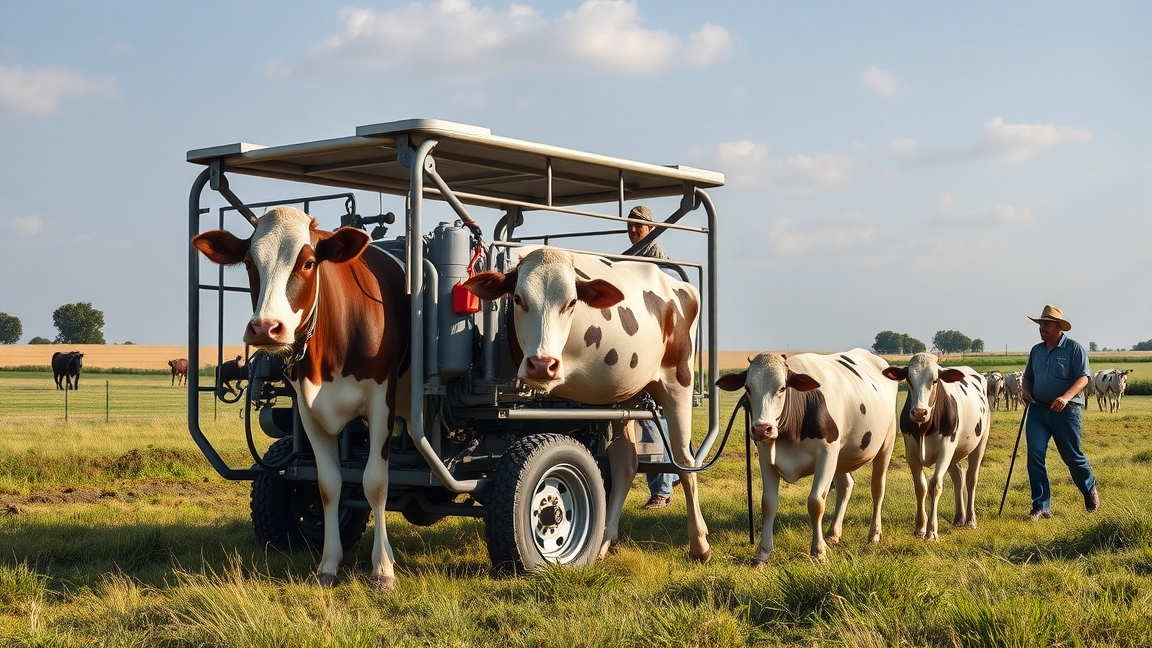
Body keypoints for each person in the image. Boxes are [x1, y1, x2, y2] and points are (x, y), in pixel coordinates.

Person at [1020, 304, 1099, 521]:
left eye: (1046, 324)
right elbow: (1028, 376)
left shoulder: (1074, 349)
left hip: (1066, 412)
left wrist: (1065, 397)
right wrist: (1025, 389)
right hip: (1037, 410)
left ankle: (1089, 488)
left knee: (1072, 457)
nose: (1041, 327)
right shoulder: (1036, 350)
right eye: (1040, 324)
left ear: (1058, 326)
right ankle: (1041, 507)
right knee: (1035, 456)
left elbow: (1084, 377)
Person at [625, 205, 680, 509]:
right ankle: (674, 474)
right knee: (661, 418)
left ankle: (662, 490)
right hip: (638, 343)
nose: (634, 230)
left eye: (639, 226)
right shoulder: (629, 257)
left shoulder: (660, 262)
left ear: (651, 227)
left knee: (650, 418)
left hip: (654, 349)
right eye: (630, 225)